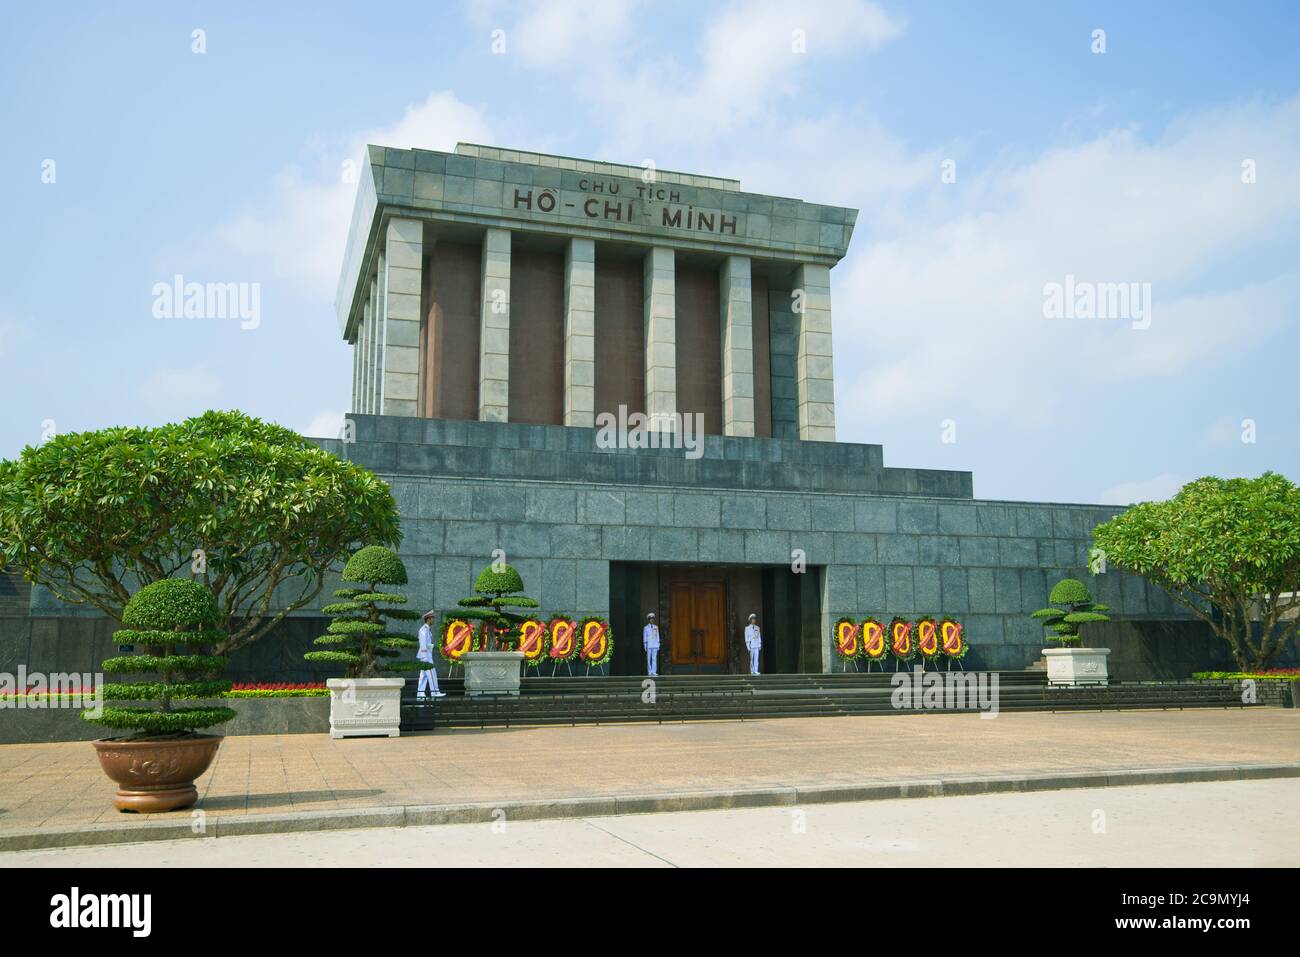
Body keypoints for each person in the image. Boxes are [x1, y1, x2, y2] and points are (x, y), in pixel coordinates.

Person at [416, 610, 446, 699]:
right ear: (428, 619)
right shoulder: (423, 630)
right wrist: (425, 657)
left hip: (426, 655)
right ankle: (435, 692)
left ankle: (420, 694)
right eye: (432, 618)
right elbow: (422, 644)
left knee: (423, 676)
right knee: (432, 674)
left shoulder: (427, 630)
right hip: (426, 656)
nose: (434, 620)